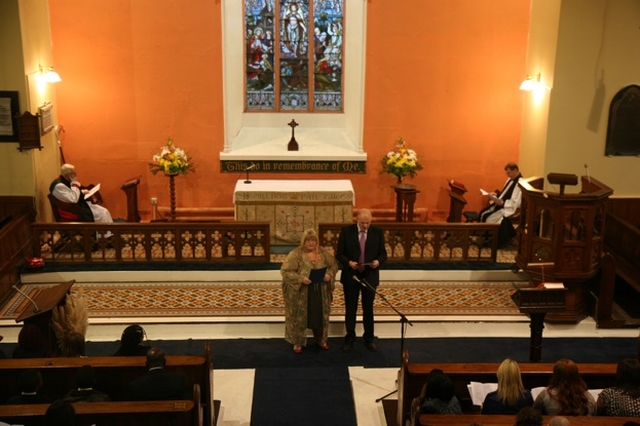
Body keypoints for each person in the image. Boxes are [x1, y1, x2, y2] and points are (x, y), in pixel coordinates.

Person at [336, 208, 387, 352]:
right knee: (351, 308)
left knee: (368, 309)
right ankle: (350, 337)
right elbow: (339, 254)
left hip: (369, 276)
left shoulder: (377, 232)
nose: (366, 226)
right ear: (357, 220)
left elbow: (383, 254)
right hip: (351, 276)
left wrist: (378, 261)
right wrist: (349, 263)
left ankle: (369, 338)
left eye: (368, 223)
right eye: (363, 223)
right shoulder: (346, 231)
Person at [280, 228, 339, 354]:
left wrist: (329, 274)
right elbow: (285, 272)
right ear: (303, 241)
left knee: (319, 316)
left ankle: (320, 340)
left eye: (313, 240)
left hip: (319, 292)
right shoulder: (296, 254)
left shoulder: (323, 253)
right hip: (302, 292)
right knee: (300, 317)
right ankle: (297, 342)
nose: (311, 243)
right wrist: (301, 278)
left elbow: (333, 265)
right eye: (308, 240)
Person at [532, 358, 596, 416]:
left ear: (555, 376)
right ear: (576, 376)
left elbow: (533, 416)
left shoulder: (545, 395)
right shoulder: (589, 398)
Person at [479, 162, 522, 247]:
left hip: (508, 207)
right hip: (501, 203)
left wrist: (503, 203)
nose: (508, 175)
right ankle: (485, 238)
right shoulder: (510, 179)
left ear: (515, 170)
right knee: (483, 213)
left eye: (509, 172)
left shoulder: (520, 183)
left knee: (488, 219)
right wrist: (496, 195)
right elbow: (505, 193)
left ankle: (492, 240)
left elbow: (517, 201)